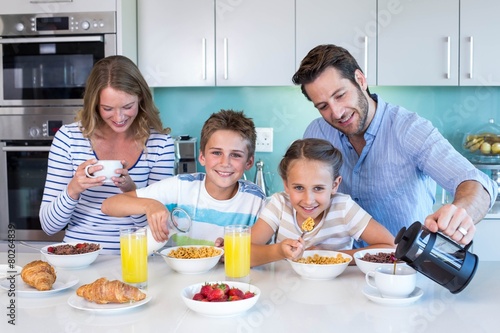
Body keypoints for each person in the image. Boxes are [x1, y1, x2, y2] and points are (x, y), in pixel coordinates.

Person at [292, 44, 498, 246]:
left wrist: (461, 213)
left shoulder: (410, 129)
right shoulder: (317, 133)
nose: (336, 113)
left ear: (360, 80)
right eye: (323, 106)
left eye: (340, 95)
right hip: (339, 268)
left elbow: (476, 183)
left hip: (403, 270)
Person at [39, 55, 175, 254]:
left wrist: (131, 192)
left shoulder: (159, 144)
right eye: (108, 109)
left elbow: (158, 227)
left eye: (128, 107)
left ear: (141, 99)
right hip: (79, 257)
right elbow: (49, 227)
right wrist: (74, 189)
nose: (119, 118)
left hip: (136, 258)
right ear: (95, 104)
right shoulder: (68, 139)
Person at [101, 110, 267, 246]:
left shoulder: (255, 200)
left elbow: (260, 254)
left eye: (236, 155)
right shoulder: (181, 187)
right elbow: (109, 205)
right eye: (216, 153)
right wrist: (150, 205)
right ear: (202, 157)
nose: (225, 163)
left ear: (249, 162)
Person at [250, 138, 395, 267]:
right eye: (299, 187)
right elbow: (242, 253)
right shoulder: (280, 204)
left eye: (318, 188)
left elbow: (391, 247)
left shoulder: (343, 207)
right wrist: (278, 251)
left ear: (334, 185)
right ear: (286, 185)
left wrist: (333, 257)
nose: (308, 200)